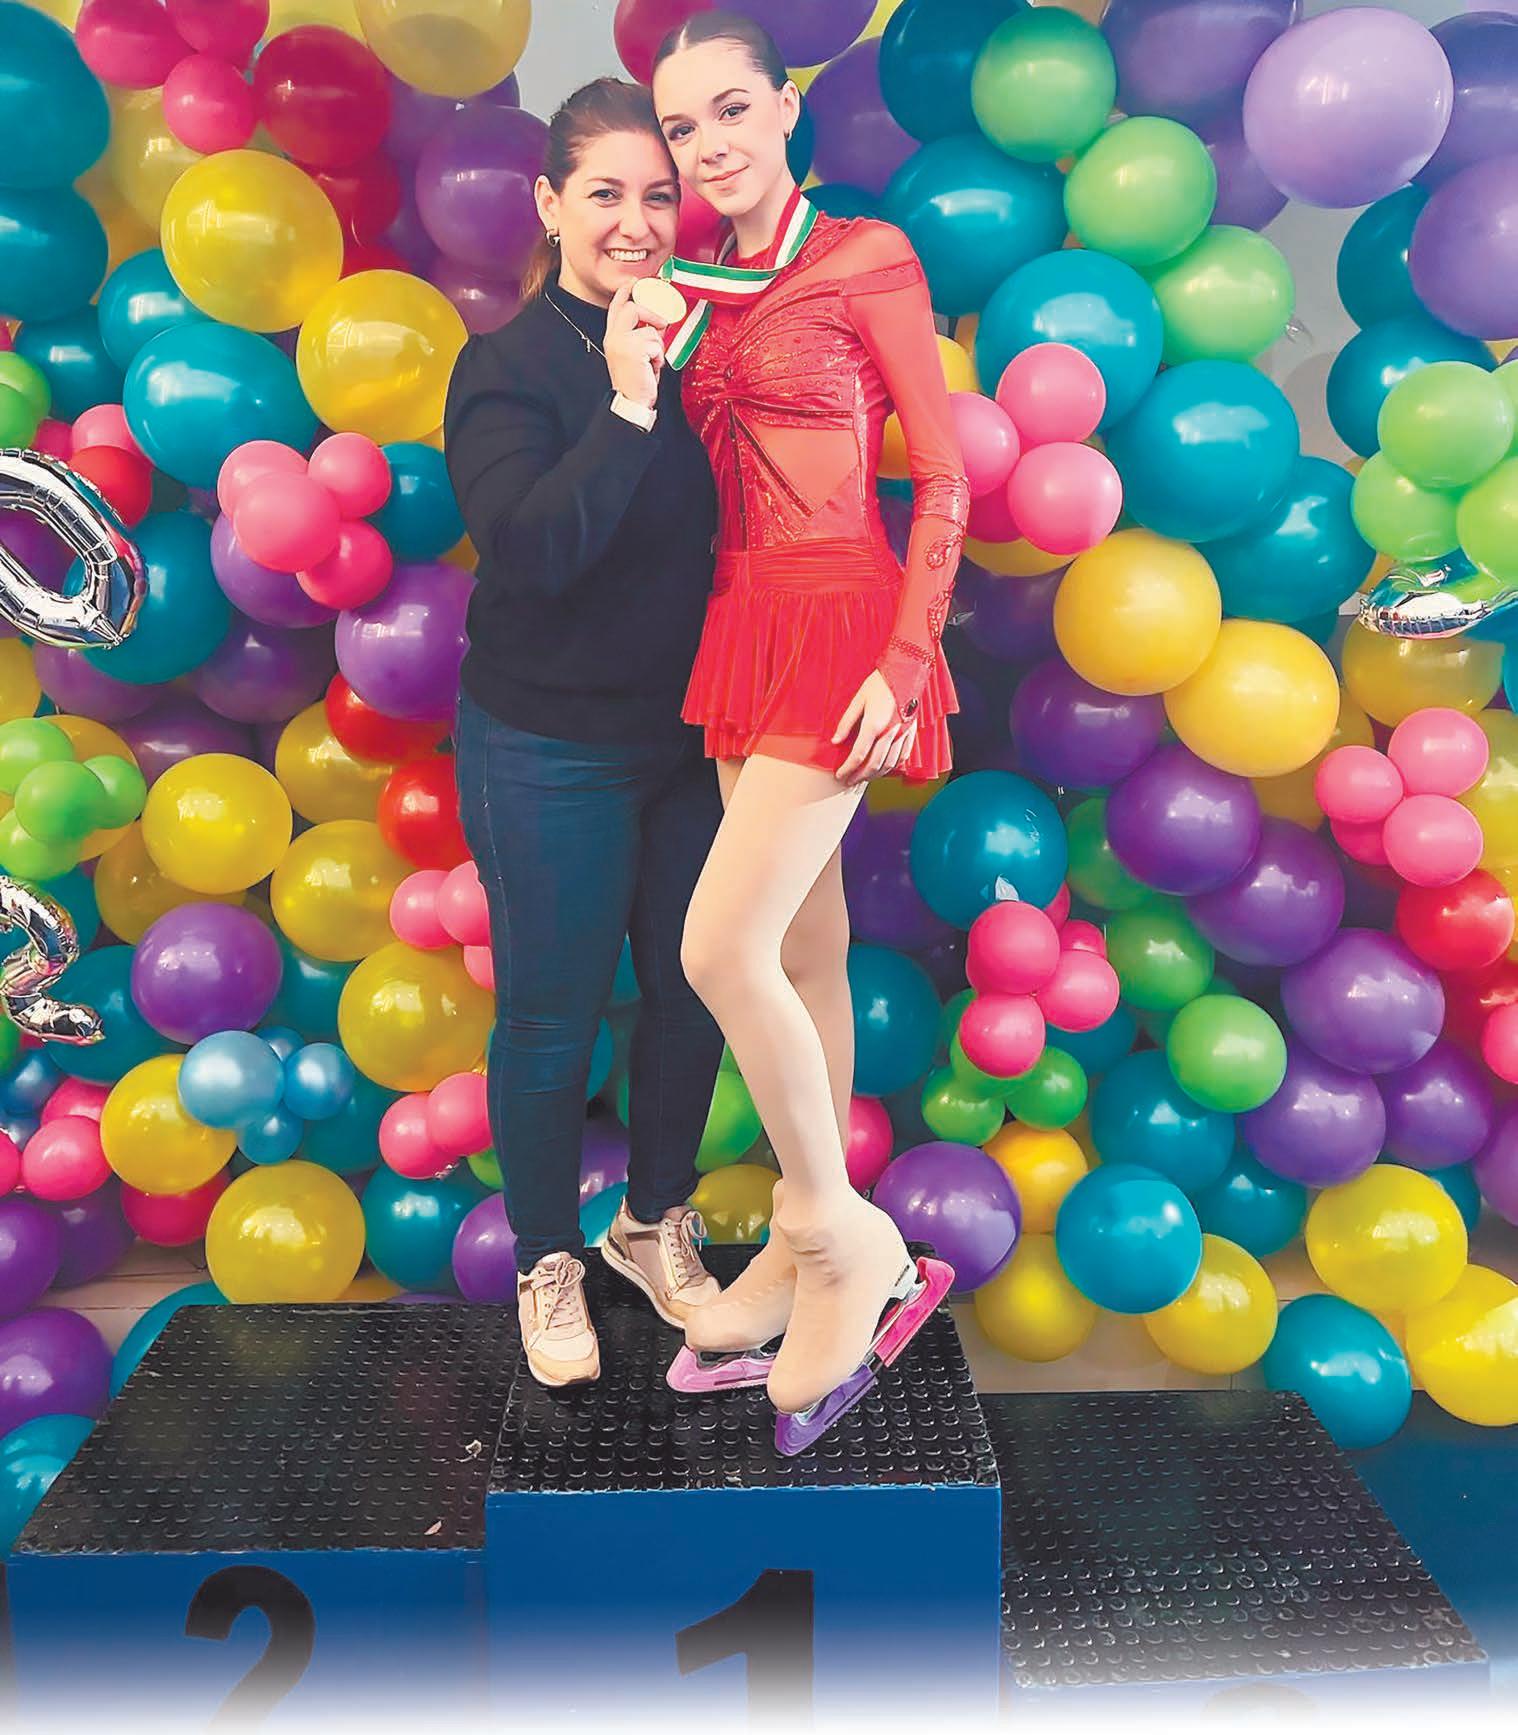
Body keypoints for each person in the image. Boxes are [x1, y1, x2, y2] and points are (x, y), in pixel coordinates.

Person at [649, 14, 970, 1438]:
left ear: (784, 106)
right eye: (681, 127)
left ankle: (844, 1243)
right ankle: (797, 1245)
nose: (708, 144)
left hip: (843, 627)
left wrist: (906, 656)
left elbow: (943, 475)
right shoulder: (683, 289)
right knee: (800, 950)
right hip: (739, 623)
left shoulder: (864, 256)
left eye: (730, 110)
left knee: (717, 948)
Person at [443, 78, 725, 1390]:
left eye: (658, 196)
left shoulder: (707, 346)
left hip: (691, 741)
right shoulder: (504, 366)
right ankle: (546, 1256)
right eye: (605, 193)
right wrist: (624, 402)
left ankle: (650, 1225)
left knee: (691, 990)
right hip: (545, 745)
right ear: (550, 205)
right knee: (552, 1019)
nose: (635, 222)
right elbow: (534, 553)